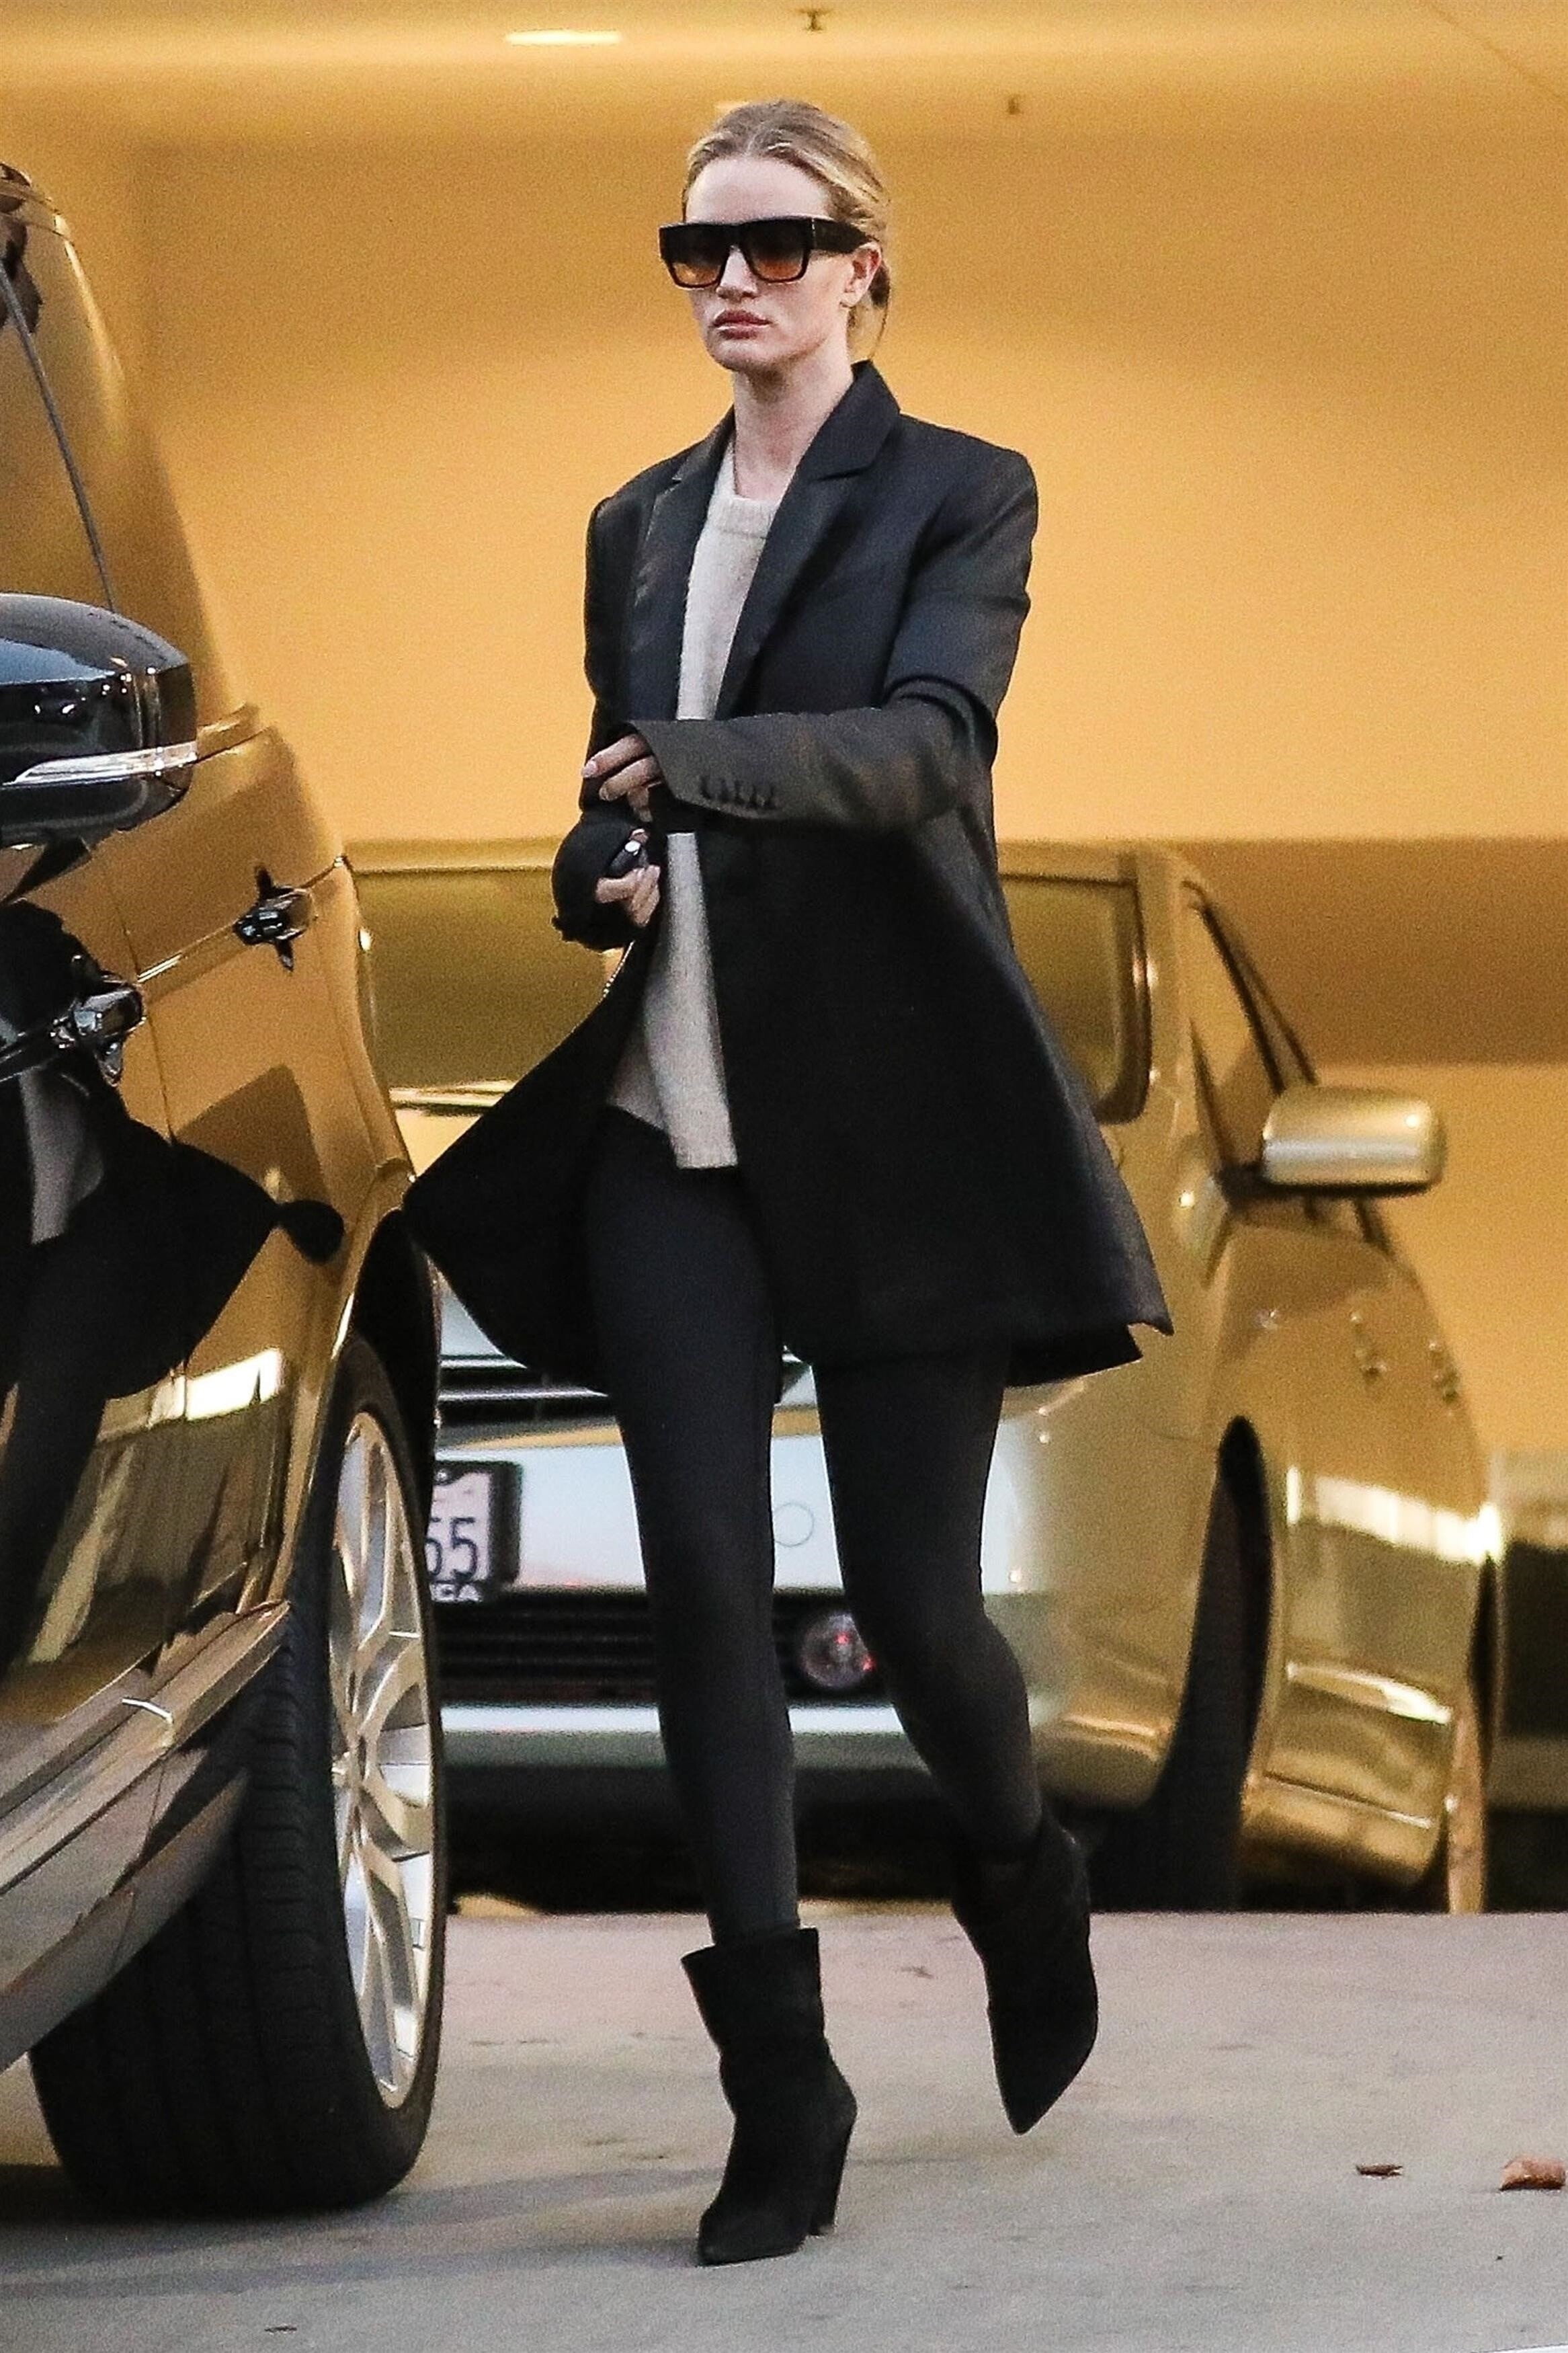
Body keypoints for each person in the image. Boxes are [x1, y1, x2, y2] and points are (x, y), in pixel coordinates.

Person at [406, 97, 1172, 2268]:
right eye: (697, 248)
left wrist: (699, 768)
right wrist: (603, 862)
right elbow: (610, 796)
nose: (730, 280)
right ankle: (781, 2082)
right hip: (676, 1135)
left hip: (899, 1135)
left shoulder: (961, 489)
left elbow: (930, 744)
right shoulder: (637, 522)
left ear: (863, 268)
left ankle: (1020, 1865)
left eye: (774, 244)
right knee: (705, 1600)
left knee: (920, 1612)